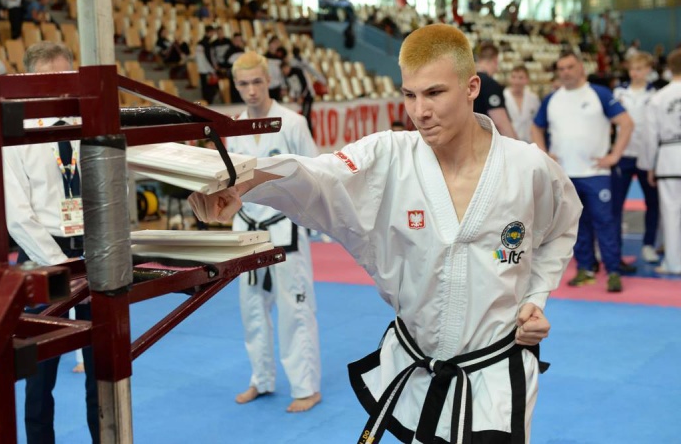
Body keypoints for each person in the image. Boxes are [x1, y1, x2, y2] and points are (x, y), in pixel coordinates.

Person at [190, 25, 582, 443]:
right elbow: (318, 176)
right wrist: (241, 180)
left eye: (434, 93)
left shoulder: (527, 167)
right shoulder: (390, 156)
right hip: (416, 365)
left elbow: (560, 229)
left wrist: (535, 297)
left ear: (472, 88)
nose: (419, 111)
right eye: (409, 95)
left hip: (496, 371)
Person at [2, 42, 99, 444]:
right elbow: (17, 216)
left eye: (66, 78)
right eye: (50, 80)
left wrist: (100, 249)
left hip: (92, 249)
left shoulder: (89, 125)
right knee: (40, 375)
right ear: (30, 82)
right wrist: (62, 267)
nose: (61, 89)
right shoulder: (16, 134)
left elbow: (108, 192)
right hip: (42, 257)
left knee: (102, 368)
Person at [223, 51, 322, 413]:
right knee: (251, 308)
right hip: (247, 230)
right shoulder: (233, 128)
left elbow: (314, 173)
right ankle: (261, 379)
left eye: (257, 82)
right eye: (243, 84)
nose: (251, 90)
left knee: (295, 309)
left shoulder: (292, 123)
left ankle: (306, 386)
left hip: (284, 228)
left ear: (269, 81)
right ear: (236, 86)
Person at [532, 51, 635, 292]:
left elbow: (626, 123)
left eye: (570, 67)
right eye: (561, 68)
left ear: (581, 68)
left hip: (595, 172)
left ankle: (613, 271)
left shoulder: (599, 94)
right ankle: (586, 269)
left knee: (605, 222)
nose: (565, 72)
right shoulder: (552, 99)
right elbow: (536, 127)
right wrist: (543, 152)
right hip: (564, 174)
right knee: (575, 225)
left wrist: (615, 156)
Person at [611, 51, 660, 264]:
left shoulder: (655, 94)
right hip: (623, 154)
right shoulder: (619, 92)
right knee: (616, 204)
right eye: (632, 69)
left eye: (639, 69)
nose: (635, 73)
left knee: (652, 202)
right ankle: (614, 247)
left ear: (648, 70)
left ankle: (648, 244)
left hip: (647, 155)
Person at [645, 48, 681, 275]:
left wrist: (650, 165)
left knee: (671, 212)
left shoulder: (658, 98)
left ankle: (673, 263)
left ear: (668, 69)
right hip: (670, 153)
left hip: (669, 158)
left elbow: (651, 137)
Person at [474, 42, 518, 138]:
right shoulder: (490, 84)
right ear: (495, 60)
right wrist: (518, 144)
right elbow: (501, 123)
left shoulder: (467, 80)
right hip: (484, 139)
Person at [503, 65, 540, 142]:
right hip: (507, 141)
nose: (516, 81)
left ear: (527, 80)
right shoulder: (503, 97)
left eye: (520, 78)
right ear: (510, 79)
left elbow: (536, 123)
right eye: (513, 77)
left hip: (528, 142)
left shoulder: (533, 99)